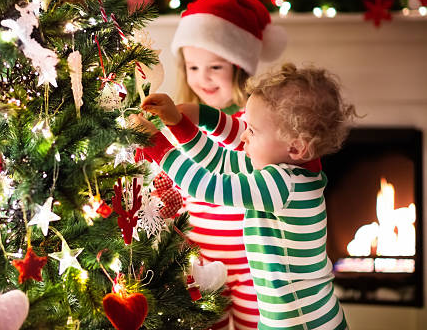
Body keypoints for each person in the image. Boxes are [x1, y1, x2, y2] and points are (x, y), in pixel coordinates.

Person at [133, 63, 355, 330]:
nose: (243, 137)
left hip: (302, 322)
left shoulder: (281, 185)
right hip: (287, 317)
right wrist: (182, 123)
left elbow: (206, 185)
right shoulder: (288, 169)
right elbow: (219, 161)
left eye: (252, 130)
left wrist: (157, 144)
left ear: (296, 147)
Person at [167, 0, 287, 330]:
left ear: (238, 67)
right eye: (192, 67)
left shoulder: (254, 122)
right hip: (201, 257)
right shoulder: (180, 122)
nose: (202, 78)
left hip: (253, 261)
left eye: (214, 67)